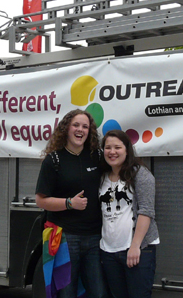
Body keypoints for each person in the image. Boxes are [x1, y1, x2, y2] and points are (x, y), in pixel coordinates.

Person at [35, 109, 107, 298]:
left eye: (85, 126)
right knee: (67, 293)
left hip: (94, 237)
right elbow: (40, 200)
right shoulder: (54, 160)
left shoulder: (96, 157)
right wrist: (69, 203)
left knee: (99, 293)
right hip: (66, 238)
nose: (80, 130)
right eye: (76, 125)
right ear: (66, 128)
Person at [99, 129, 159, 298]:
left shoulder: (141, 174)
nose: (112, 152)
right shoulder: (101, 177)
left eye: (117, 147)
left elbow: (146, 211)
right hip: (109, 252)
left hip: (137, 250)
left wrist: (135, 246)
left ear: (127, 149)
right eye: (108, 147)